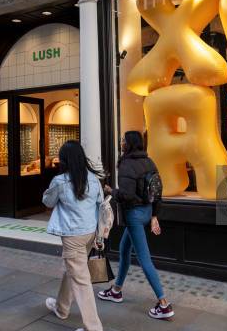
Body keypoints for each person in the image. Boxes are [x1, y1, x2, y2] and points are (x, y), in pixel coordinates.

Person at [97, 131, 175, 320]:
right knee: (124, 250)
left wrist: (110, 190)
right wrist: (155, 214)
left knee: (144, 259)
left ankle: (164, 304)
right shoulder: (150, 161)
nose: (121, 142)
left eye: (123, 140)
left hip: (134, 215)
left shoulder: (126, 164)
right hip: (147, 211)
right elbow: (158, 191)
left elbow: (126, 195)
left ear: (129, 144)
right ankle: (116, 290)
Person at [43, 140, 105, 331]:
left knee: (81, 280)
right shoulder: (94, 179)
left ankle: (93, 328)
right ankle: (61, 308)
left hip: (72, 236)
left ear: (64, 160)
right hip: (90, 232)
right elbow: (100, 203)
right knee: (73, 270)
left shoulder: (60, 181)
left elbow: (48, 202)